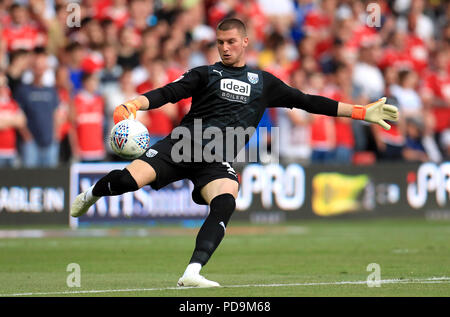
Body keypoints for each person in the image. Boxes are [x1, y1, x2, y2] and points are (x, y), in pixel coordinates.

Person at [70, 18, 398, 288]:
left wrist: (361, 112)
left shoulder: (263, 82)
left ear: (245, 42)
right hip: (180, 147)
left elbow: (308, 101)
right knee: (127, 182)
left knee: (226, 200)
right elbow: (168, 93)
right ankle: (92, 193)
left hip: (215, 160)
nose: (224, 48)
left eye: (230, 42)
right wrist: (135, 103)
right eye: (220, 43)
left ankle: (193, 272)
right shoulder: (205, 74)